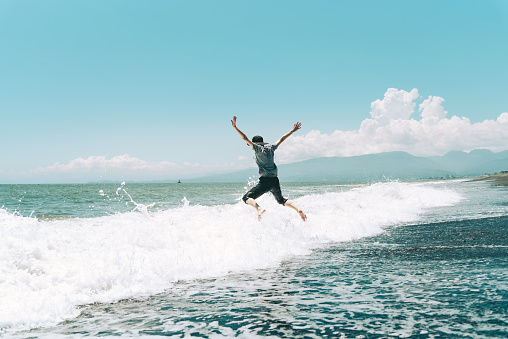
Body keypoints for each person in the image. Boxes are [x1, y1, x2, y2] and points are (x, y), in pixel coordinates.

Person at [231, 116, 307, 221]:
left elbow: (244, 138)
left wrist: (235, 127)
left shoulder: (257, 149)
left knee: (246, 198)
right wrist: (292, 131)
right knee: (281, 200)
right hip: (275, 180)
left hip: (265, 181)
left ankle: (259, 209)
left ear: (255, 144)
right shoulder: (271, 148)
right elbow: (282, 139)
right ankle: (297, 209)